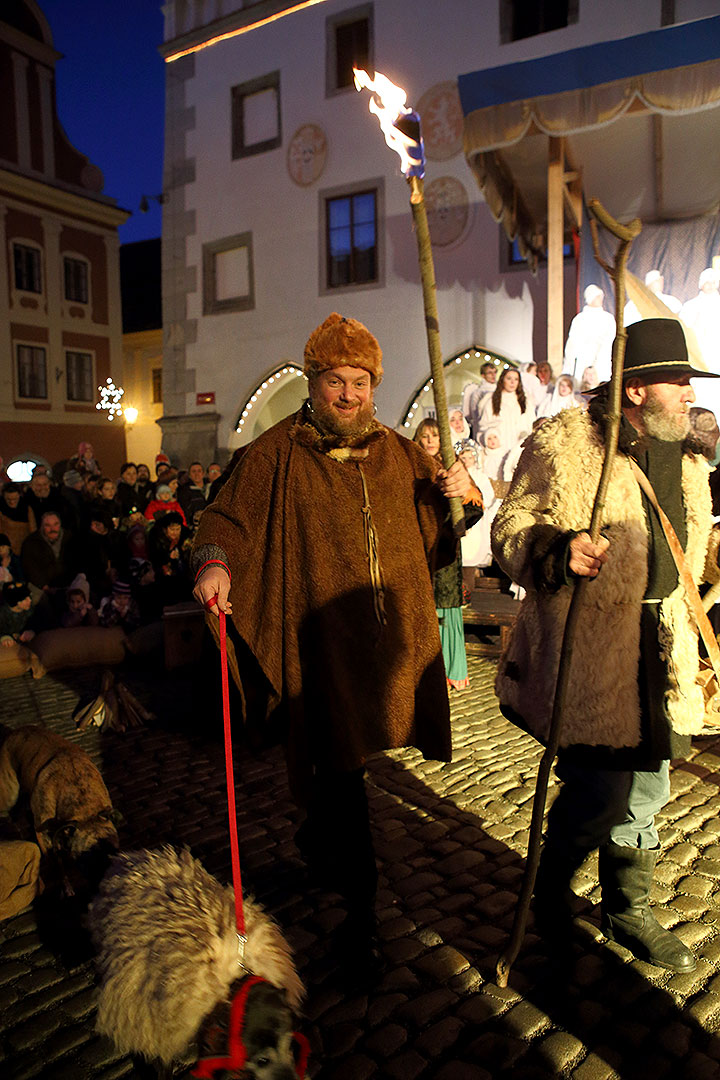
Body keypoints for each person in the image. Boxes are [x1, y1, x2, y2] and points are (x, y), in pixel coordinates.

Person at [192, 312, 472, 980]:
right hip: (319, 649)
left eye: (358, 382)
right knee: (343, 774)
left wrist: (466, 491)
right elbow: (221, 518)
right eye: (333, 381)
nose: (347, 394)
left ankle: (319, 843)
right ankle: (363, 914)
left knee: (334, 772)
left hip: (386, 648)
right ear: (313, 383)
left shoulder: (403, 452)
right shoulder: (276, 452)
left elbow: (446, 519)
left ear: (373, 386)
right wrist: (213, 562)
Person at [492, 318, 720, 974]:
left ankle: (628, 908)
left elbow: (693, 549)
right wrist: (558, 551)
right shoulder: (567, 446)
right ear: (638, 390)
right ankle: (551, 890)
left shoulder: (687, 456)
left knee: (647, 788)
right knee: (599, 794)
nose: (687, 393)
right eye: (677, 381)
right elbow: (513, 525)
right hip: (591, 654)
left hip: (663, 647)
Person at [563, 284, 616, 386]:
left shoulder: (608, 318)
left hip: (602, 359)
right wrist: (568, 367)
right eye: (597, 296)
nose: (600, 299)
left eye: (601, 296)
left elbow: (609, 340)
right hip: (583, 359)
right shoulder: (580, 319)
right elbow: (572, 343)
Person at [476, 366, 533, 450]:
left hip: (518, 447)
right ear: (502, 380)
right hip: (499, 448)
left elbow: (531, 423)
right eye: (509, 378)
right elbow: (483, 426)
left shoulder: (524, 401)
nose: (512, 382)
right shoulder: (492, 401)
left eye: (516, 379)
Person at [0, 483, 36, 555]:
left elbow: (33, 530)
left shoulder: (26, 508)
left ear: (19, 495)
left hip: (24, 549)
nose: (12, 502)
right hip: (4, 551)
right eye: (8, 499)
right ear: (4, 497)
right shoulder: (1, 510)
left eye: (15, 499)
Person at [177, 461, 208, 530]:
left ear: (203, 473)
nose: (197, 474)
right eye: (193, 471)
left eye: (199, 471)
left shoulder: (211, 488)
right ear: (189, 475)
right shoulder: (184, 491)